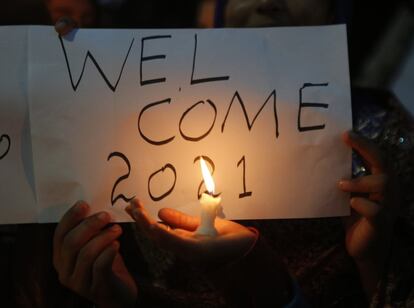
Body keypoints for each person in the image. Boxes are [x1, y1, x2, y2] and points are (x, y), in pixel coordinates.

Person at [34, 0, 414, 307]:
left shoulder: (382, 136)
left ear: (335, 10)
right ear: (211, 13)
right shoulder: (123, 107)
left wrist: (376, 260)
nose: (269, 3)